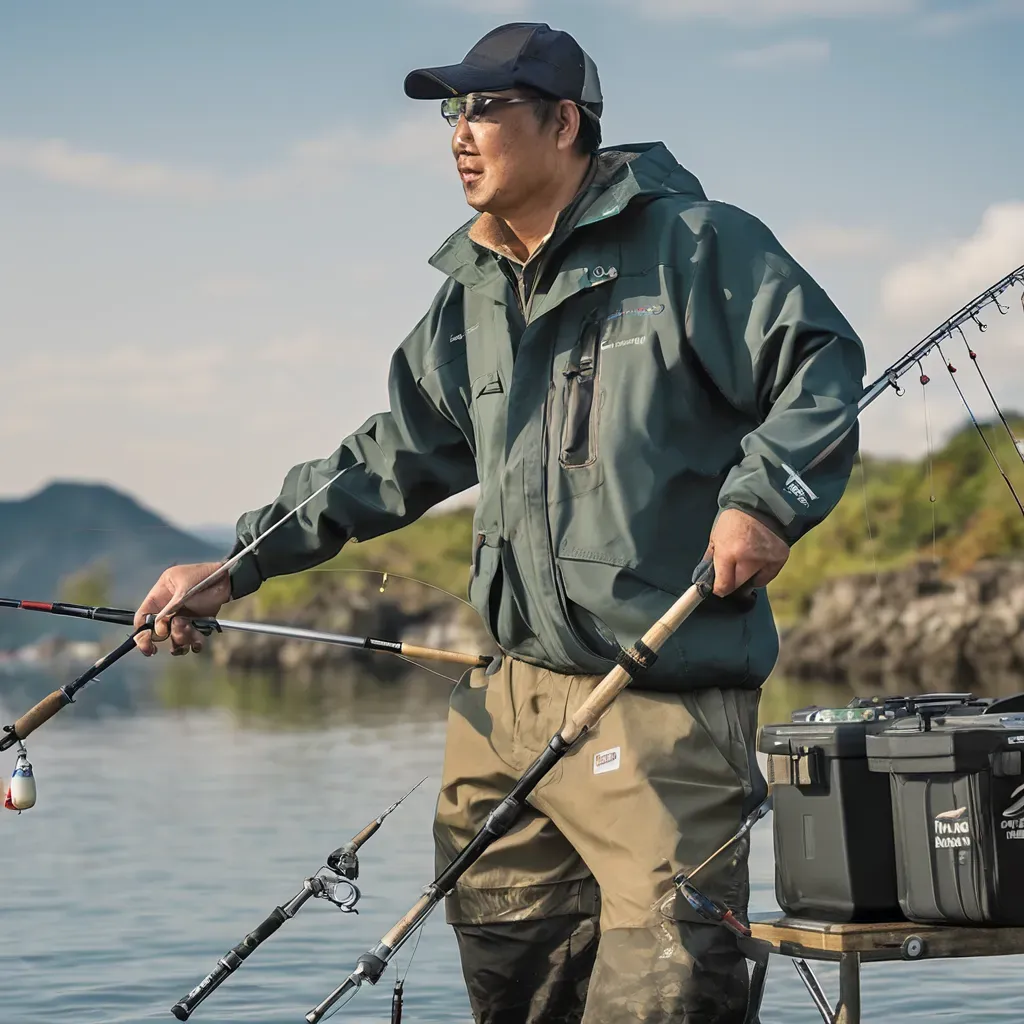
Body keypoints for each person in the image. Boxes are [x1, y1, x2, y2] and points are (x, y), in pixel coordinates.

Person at [135, 22, 866, 1024]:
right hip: (504, 710)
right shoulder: (469, 297)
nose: (459, 133)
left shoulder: (696, 245)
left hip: (658, 701)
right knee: (512, 984)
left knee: (665, 990)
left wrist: (764, 500)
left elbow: (818, 364)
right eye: (451, 110)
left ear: (564, 122)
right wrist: (237, 564)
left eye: (485, 107)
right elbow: (382, 458)